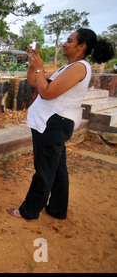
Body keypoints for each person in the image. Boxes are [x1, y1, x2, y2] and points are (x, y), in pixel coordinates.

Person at [7, 28, 115, 220]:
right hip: (52, 123)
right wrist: (34, 63)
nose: (64, 43)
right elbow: (34, 81)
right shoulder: (67, 67)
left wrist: (40, 68)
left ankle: (29, 211)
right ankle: (56, 209)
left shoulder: (79, 67)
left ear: (81, 47)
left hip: (54, 123)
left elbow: (47, 92)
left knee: (45, 170)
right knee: (57, 169)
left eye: (69, 40)